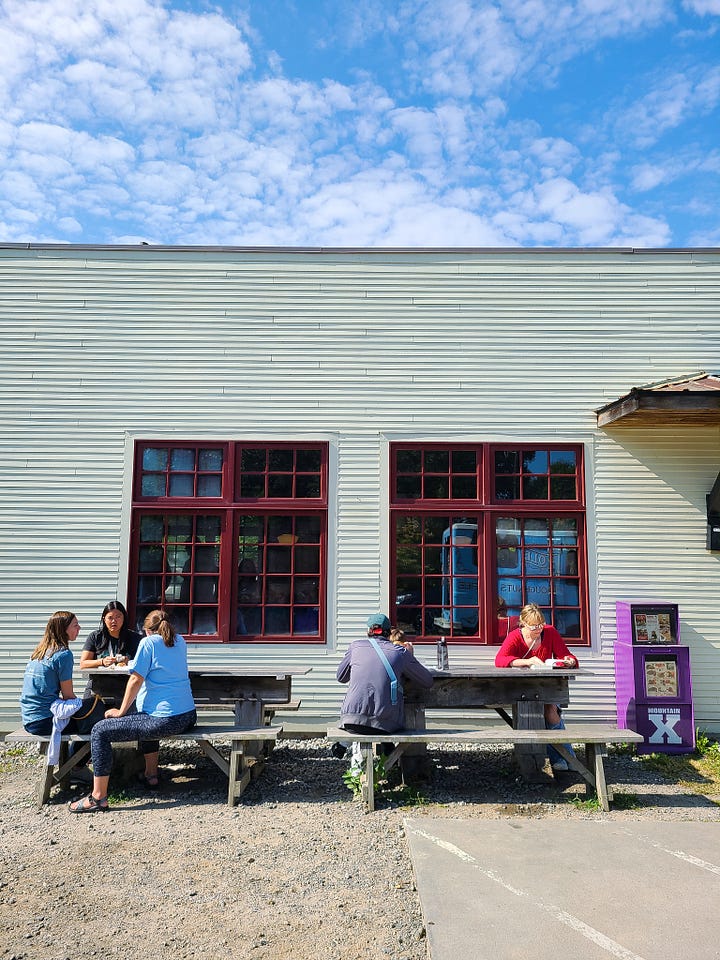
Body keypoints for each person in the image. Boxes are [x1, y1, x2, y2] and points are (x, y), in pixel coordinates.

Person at [69, 609, 197, 813]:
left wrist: (120, 710)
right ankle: (151, 775)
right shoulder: (179, 640)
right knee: (143, 717)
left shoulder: (148, 643)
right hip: (188, 715)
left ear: (146, 630)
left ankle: (98, 797)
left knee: (100, 730)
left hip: (164, 719)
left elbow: (136, 679)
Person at [494, 602, 578, 771]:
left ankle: (565, 759)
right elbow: (500, 660)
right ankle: (564, 759)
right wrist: (528, 661)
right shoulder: (515, 636)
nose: (539, 629)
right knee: (534, 713)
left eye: (541, 624)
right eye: (534, 626)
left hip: (545, 686)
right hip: (522, 688)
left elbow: (566, 654)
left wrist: (569, 660)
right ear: (523, 623)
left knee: (550, 710)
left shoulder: (550, 632)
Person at [336, 613, 433, 735]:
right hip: (386, 723)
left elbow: (341, 677)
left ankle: (345, 745)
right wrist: (409, 657)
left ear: (368, 631)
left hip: (350, 720)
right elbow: (427, 681)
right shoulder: (400, 652)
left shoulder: (355, 646)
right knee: (386, 727)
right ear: (389, 632)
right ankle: (388, 751)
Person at [20, 610, 93, 736]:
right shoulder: (63, 655)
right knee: (93, 721)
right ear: (64, 629)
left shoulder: (39, 652)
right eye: (75, 625)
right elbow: (68, 696)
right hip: (45, 721)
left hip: (28, 719)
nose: (79, 628)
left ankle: (73, 755)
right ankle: (78, 755)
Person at [80, 600, 142, 676]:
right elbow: (83, 664)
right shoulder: (95, 637)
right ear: (104, 619)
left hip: (125, 684)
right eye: (110, 617)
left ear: (124, 618)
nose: (114, 621)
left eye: (118, 617)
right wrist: (102, 662)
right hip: (98, 684)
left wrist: (129, 662)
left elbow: (144, 664)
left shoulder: (135, 638)